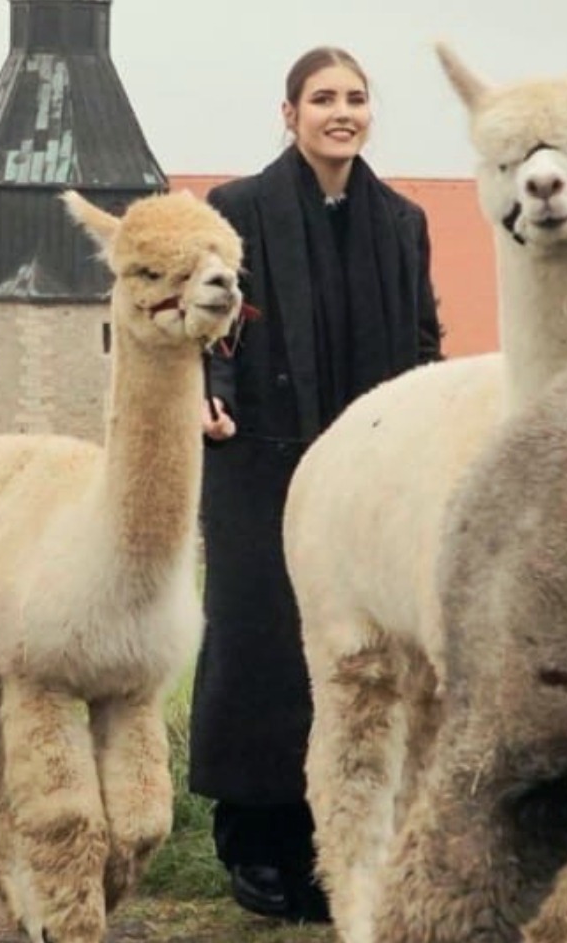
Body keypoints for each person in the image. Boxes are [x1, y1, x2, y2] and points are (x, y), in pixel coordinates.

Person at [188, 47, 441, 922]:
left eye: (356, 98)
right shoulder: (237, 209)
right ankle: (255, 838)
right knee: (262, 643)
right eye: (323, 98)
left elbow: (422, 343)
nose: (343, 112)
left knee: (361, 653)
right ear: (288, 113)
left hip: (370, 475)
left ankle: (347, 842)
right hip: (262, 457)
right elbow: (212, 328)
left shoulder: (402, 223)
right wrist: (210, 397)